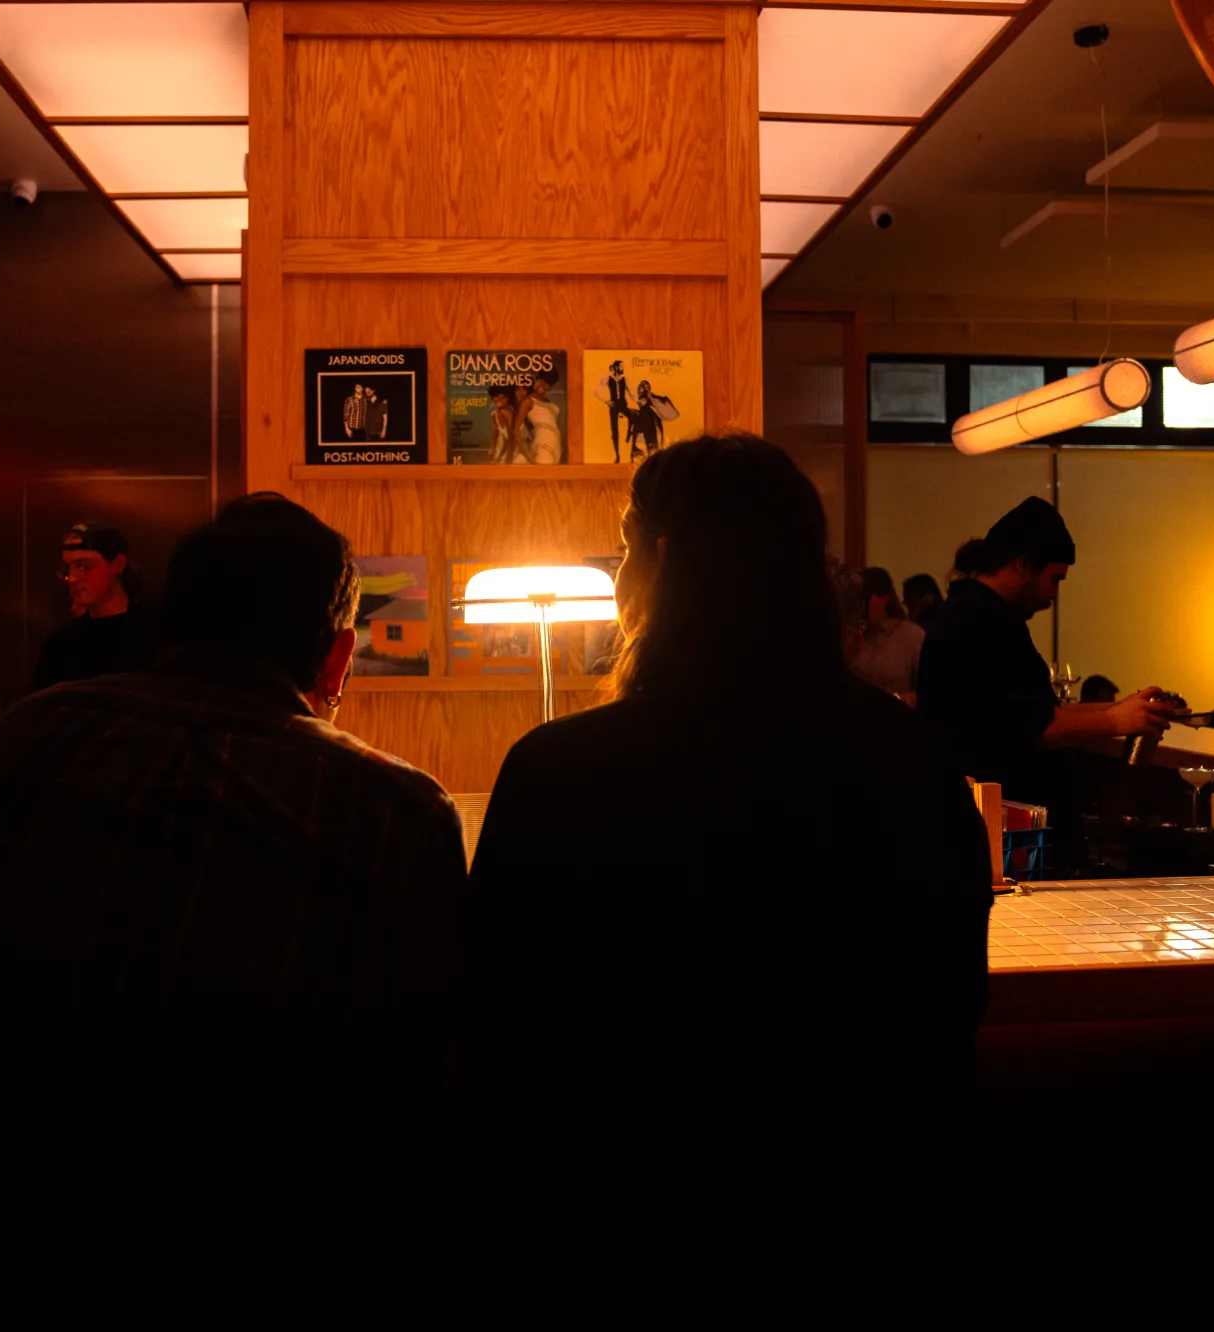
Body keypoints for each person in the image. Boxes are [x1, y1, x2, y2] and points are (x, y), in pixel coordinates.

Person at [469, 436, 994, 1241]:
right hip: (874, 1211)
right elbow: (953, 1007)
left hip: (619, 1211)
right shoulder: (918, 758)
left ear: (661, 561)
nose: (615, 576)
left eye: (622, 550)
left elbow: (501, 1036)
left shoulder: (560, 770)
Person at [0, 494, 466, 1248]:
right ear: (337, 657)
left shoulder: (27, 736)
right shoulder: (391, 805)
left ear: (172, 621)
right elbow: (421, 1081)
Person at [917, 498, 1173, 812]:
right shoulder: (982, 620)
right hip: (999, 822)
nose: (1053, 595)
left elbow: (1035, 709)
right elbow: (1034, 727)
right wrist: (1116, 720)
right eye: (1054, 579)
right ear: (1023, 565)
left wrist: (1120, 707)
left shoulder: (973, 612)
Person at [29, 522, 156, 693]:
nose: (72, 579)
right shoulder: (61, 645)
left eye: (83, 566)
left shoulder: (155, 634)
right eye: (68, 569)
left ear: (117, 564)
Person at [850, 566, 925, 701]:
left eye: (864, 598)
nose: (859, 605)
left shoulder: (912, 636)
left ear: (884, 598)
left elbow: (930, 691)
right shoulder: (852, 635)